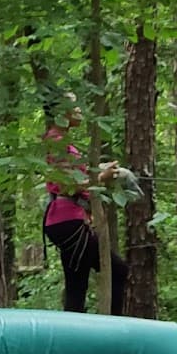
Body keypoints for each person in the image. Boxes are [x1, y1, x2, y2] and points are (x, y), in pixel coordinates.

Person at [43, 94, 129, 316]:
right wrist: (101, 177)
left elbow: (75, 177)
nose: (79, 110)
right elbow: (68, 184)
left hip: (67, 221)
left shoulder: (61, 141)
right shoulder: (57, 142)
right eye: (74, 105)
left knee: (77, 286)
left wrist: (100, 170)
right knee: (117, 271)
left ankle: (76, 330)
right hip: (68, 221)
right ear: (61, 111)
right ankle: (113, 328)